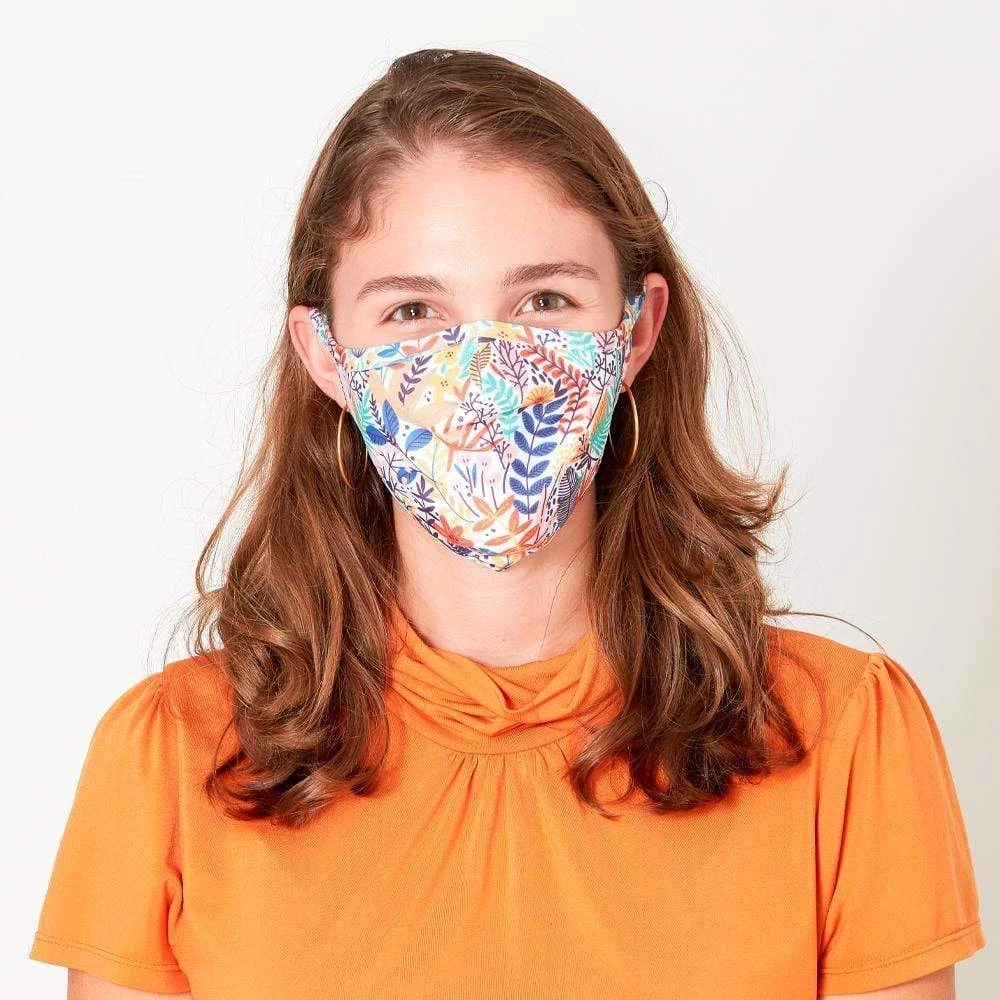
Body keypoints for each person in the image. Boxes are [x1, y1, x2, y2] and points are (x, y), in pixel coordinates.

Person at [29, 48, 985, 999]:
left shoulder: (840, 735)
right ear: (324, 355)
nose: (483, 367)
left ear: (637, 330)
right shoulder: (176, 757)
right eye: (413, 309)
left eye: (544, 300)